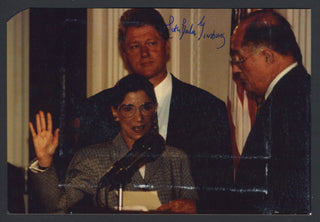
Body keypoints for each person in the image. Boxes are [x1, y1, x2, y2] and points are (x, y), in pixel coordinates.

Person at [78, 8, 233, 213]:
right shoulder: (96, 109)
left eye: (151, 43)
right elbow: (81, 191)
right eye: (135, 46)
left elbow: (223, 192)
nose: (145, 53)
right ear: (124, 55)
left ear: (167, 47)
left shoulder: (208, 108)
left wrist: (197, 207)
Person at [28, 74, 197, 213]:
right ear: (115, 112)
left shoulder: (175, 158)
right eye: (128, 109)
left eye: (145, 107)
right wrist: (44, 163)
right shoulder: (92, 158)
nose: (139, 118)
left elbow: (193, 209)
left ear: (155, 108)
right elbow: (59, 207)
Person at [230, 9, 310, 214]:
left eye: (240, 59)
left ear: (267, 56)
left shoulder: (293, 101)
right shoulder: (295, 92)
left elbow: (291, 195)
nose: (235, 70)